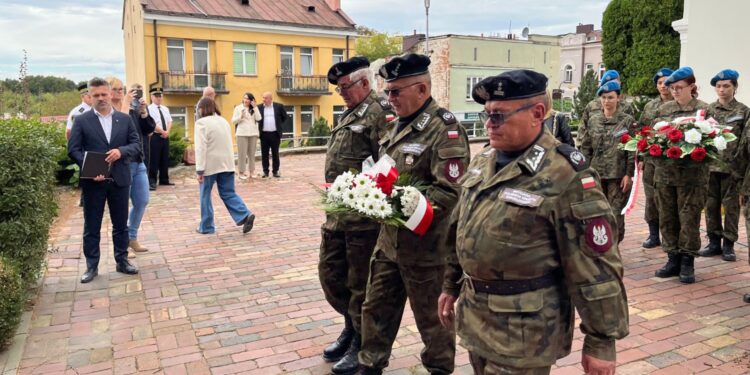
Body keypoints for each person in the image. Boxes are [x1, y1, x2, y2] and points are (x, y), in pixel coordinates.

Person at [439, 70, 629, 375]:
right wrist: (450, 283)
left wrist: (601, 342)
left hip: (525, 332)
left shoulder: (567, 175)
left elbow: (597, 266)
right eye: (486, 115)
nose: (488, 124)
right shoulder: (482, 161)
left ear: (537, 113)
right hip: (477, 317)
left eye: (498, 117)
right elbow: (459, 229)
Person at [357, 53, 470, 375]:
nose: (389, 98)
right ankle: (370, 365)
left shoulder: (444, 130)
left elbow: (450, 191)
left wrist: (399, 201)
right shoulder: (395, 126)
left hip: (427, 249)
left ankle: (438, 369)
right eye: (387, 91)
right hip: (389, 243)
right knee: (375, 309)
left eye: (396, 91)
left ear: (421, 89)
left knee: (433, 321)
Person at [319, 56, 394, 375]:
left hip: (363, 220)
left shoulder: (380, 113)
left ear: (365, 83)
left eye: (345, 87)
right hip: (338, 214)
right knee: (331, 276)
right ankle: (350, 326)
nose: (342, 93)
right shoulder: (351, 112)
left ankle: (362, 342)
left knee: (360, 284)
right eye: (339, 89)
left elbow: (388, 166)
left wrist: (369, 198)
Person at [67, 77, 142, 283]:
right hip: (94, 181)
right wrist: (91, 168)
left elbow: (136, 144)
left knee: (121, 225)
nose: (101, 98)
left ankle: (122, 261)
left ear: (110, 94)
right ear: (89, 97)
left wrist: (121, 151)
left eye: (104, 94)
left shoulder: (124, 119)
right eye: (96, 95)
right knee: (92, 226)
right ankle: (92, 266)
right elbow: (73, 150)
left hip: (119, 179)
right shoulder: (81, 120)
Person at [653, 67, 709, 284]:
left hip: (692, 177)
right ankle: (672, 258)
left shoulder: (704, 110)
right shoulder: (664, 110)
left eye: (679, 88)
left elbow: (711, 142)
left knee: (689, 219)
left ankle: (687, 261)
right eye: (672, 88)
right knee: (667, 217)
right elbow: (655, 139)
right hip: (665, 174)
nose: (674, 91)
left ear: (691, 87)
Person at [699, 69, 749, 262]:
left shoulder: (743, 112)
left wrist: (741, 170)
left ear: (735, 87)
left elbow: (745, 142)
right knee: (710, 206)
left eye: (726, 85)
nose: (722, 89)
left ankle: (728, 244)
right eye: (718, 86)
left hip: (732, 169)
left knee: (731, 208)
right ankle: (713, 242)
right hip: (710, 168)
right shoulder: (708, 111)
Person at [579, 80, 636, 243]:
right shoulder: (593, 120)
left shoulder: (626, 121)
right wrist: (584, 172)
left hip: (618, 176)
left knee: (615, 213)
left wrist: (628, 174)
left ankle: (614, 246)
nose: (606, 101)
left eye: (610, 97)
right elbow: (586, 148)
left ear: (618, 98)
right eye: (603, 98)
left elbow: (631, 149)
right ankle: (599, 245)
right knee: (596, 212)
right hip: (596, 175)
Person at [194, 97, 256, 235]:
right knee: (228, 193)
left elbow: (200, 148)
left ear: (202, 109)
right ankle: (244, 214)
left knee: (205, 195)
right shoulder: (223, 121)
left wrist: (199, 170)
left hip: (210, 165)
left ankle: (207, 226)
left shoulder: (201, 123)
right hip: (227, 164)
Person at [638, 68, 674, 249]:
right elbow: (643, 132)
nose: (663, 86)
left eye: (667, 83)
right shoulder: (650, 106)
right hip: (652, 159)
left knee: (668, 197)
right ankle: (653, 234)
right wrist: (641, 156)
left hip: (672, 160)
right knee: (651, 197)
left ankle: (670, 235)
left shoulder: (679, 104)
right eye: (660, 83)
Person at [125, 83, 157, 257]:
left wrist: (144, 112)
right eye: (133, 91)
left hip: (139, 160)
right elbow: (121, 128)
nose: (136, 95)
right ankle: (123, 243)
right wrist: (128, 106)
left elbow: (149, 130)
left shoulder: (138, 109)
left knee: (142, 200)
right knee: (122, 204)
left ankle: (132, 237)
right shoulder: (122, 109)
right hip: (124, 161)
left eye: (138, 92)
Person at [578, 70, 635, 146]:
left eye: (616, 82)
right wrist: (580, 147)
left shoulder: (626, 107)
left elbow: (630, 131)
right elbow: (583, 128)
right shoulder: (591, 106)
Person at [147, 88, 174, 190]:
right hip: (155, 136)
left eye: (160, 96)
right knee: (154, 159)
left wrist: (167, 132)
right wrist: (163, 132)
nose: (159, 98)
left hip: (165, 136)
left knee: (164, 158)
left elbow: (170, 121)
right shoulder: (149, 109)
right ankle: (152, 181)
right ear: (152, 97)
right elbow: (151, 123)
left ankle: (164, 179)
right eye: (156, 96)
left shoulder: (165, 108)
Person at [258, 92, 289, 178]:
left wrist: (278, 124)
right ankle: (265, 171)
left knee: (275, 153)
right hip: (264, 134)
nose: (263, 99)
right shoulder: (259, 107)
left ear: (271, 98)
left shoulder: (279, 106)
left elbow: (284, 117)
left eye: (265, 98)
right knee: (264, 154)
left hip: (275, 134)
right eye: (263, 98)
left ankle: (275, 171)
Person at [231, 92, 262, 180]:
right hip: (241, 134)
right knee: (242, 154)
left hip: (253, 133)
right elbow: (233, 121)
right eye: (244, 98)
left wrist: (255, 107)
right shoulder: (238, 108)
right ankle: (241, 172)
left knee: (251, 154)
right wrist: (240, 117)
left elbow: (259, 118)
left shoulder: (254, 108)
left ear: (251, 100)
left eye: (248, 99)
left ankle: (251, 172)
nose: (246, 100)